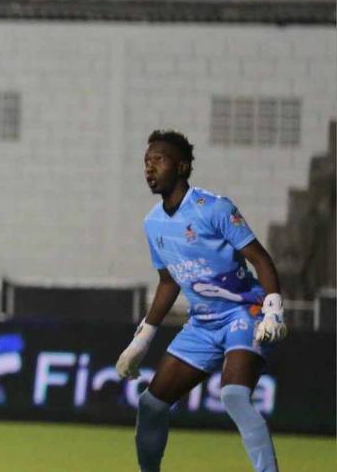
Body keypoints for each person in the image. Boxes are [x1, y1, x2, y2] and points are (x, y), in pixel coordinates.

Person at [116, 130, 287, 472]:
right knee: (151, 404)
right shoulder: (152, 223)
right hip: (202, 324)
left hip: (244, 312)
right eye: (146, 161)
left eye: (158, 160)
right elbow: (168, 282)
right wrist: (141, 340)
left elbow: (261, 259)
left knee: (233, 395)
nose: (149, 168)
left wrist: (273, 311)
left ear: (182, 167)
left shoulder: (214, 208)